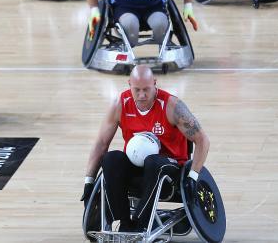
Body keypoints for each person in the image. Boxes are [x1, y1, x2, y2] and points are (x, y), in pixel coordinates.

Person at [81, 64, 210, 233]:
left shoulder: (172, 106)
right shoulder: (120, 104)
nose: (142, 95)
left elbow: (202, 140)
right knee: (111, 158)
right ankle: (125, 222)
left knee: (153, 161)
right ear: (129, 84)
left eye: (146, 90)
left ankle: (141, 223)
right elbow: (101, 144)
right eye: (137, 90)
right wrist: (88, 181)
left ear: (155, 83)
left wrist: (193, 177)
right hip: (137, 170)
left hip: (169, 172)